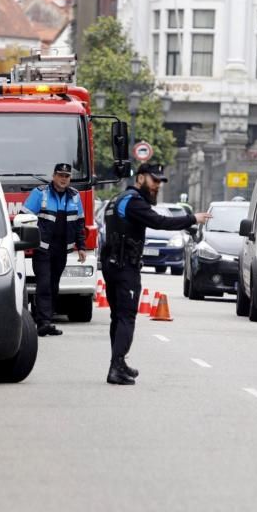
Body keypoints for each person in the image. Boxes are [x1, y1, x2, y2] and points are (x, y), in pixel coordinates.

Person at [101, 163, 211, 385]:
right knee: (126, 317)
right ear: (140, 178)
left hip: (113, 265)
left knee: (118, 316)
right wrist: (192, 218)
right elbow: (160, 222)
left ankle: (119, 363)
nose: (157, 186)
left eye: (160, 181)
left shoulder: (118, 199)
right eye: (154, 180)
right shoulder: (134, 202)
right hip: (125, 267)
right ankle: (116, 367)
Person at [21, 162, 87, 336]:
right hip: (42, 248)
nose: (63, 179)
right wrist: (26, 242)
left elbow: (80, 224)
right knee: (44, 284)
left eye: (67, 176)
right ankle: (43, 322)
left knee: (53, 285)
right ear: (54, 176)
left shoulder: (74, 196)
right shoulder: (40, 193)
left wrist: (81, 247)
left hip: (61, 250)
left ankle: (46, 320)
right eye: (60, 175)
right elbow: (24, 217)